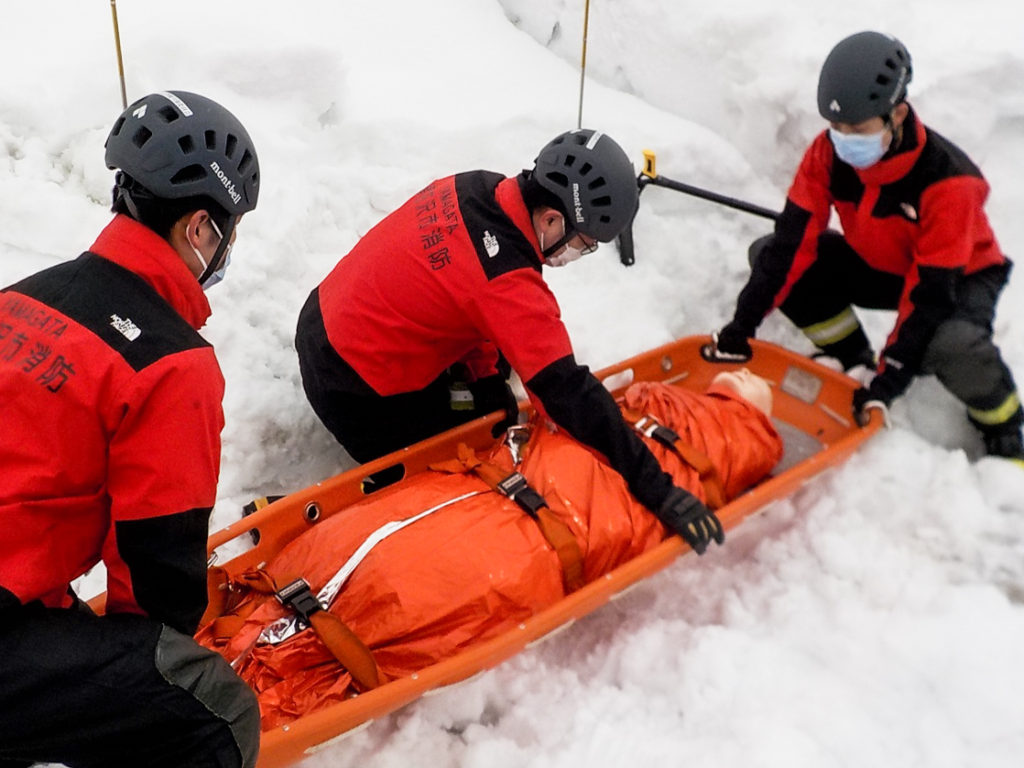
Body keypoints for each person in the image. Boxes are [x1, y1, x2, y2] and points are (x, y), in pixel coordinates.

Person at [199, 371, 782, 728]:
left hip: (507, 509)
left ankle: (263, 646)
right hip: (514, 512)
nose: (748, 391)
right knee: (395, 581)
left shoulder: (724, 433)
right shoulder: (681, 413)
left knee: (393, 582)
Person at [295, 128, 726, 554]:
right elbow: (566, 391)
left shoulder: (478, 187)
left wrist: (486, 378)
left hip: (324, 320)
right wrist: (657, 488)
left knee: (492, 394)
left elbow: (470, 299)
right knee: (485, 438)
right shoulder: (507, 282)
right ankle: (381, 496)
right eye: (584, 244)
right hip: (356, 392)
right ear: (553, 219)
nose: (578, 255)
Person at [0, 91, 261, 768]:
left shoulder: (24, 295)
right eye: (230, 231)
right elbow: (157, 574)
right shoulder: (171, 363)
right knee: (215, 709)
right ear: (201, 229)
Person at [704, 31, 1023, 462]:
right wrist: (740, 328)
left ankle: (1002, 422)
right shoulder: (828, 154)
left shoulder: (949, 182)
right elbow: (791, 243)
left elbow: (929, 292)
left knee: (949, 343)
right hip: (879, 263)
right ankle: (851, 356)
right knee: (767, 255)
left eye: (857, 128)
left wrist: (890, 378)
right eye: (835, 127)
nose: (842, 138)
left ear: (898, 114)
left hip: (959, 277)